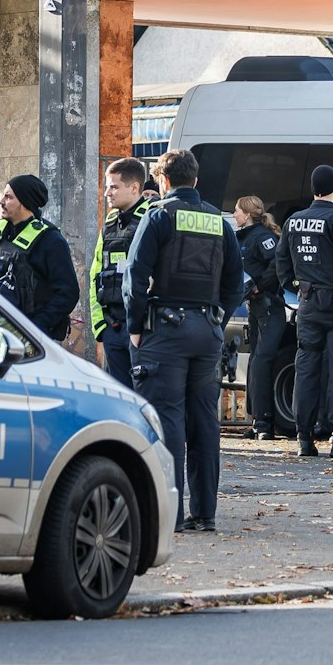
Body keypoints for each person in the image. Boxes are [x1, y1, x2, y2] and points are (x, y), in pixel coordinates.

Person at [124, 149, 245, 532]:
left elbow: (135, 275)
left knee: (168, 421)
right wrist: (216, 320)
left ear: (162, 180)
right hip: (206, 332)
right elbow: (234, 284)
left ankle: (169, 515)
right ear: (195, 180)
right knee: (205, 423)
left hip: (165, 331)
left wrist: (135, 325)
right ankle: (205, 513)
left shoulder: (158, 215)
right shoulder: (219, 222)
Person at [275, 165, 333, 459]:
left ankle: (304, 439)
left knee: (306, 371)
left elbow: (282, 265)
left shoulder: (294, 221)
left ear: (313, 187)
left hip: (308, 303)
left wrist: (300, 286)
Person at [0, 174, 78, 341]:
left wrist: (35, 326)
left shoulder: (50, 240)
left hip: (32, 337)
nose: (1, 201)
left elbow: (68, 293)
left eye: (8, 197)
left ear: (25, 203)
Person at [87, 158, 155, 388]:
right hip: (113, 325)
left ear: (134, 187)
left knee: (145, 395)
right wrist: (100, 325)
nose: (107, 192)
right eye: (107, 186)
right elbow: (96, 270)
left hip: (145, 328)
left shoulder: (153, 217)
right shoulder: (110, 222)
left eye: (114, 186)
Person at [234, 196, 285, 439]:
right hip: (256, 308)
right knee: (256, 360)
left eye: (236, 211)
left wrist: (259, 286)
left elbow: (276, 263)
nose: (234, 215)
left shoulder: (262, 237)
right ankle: (257, 420)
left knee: (262, 360)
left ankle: (264, 422)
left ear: (247, 213)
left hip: (269, 306)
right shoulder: (245, 236)